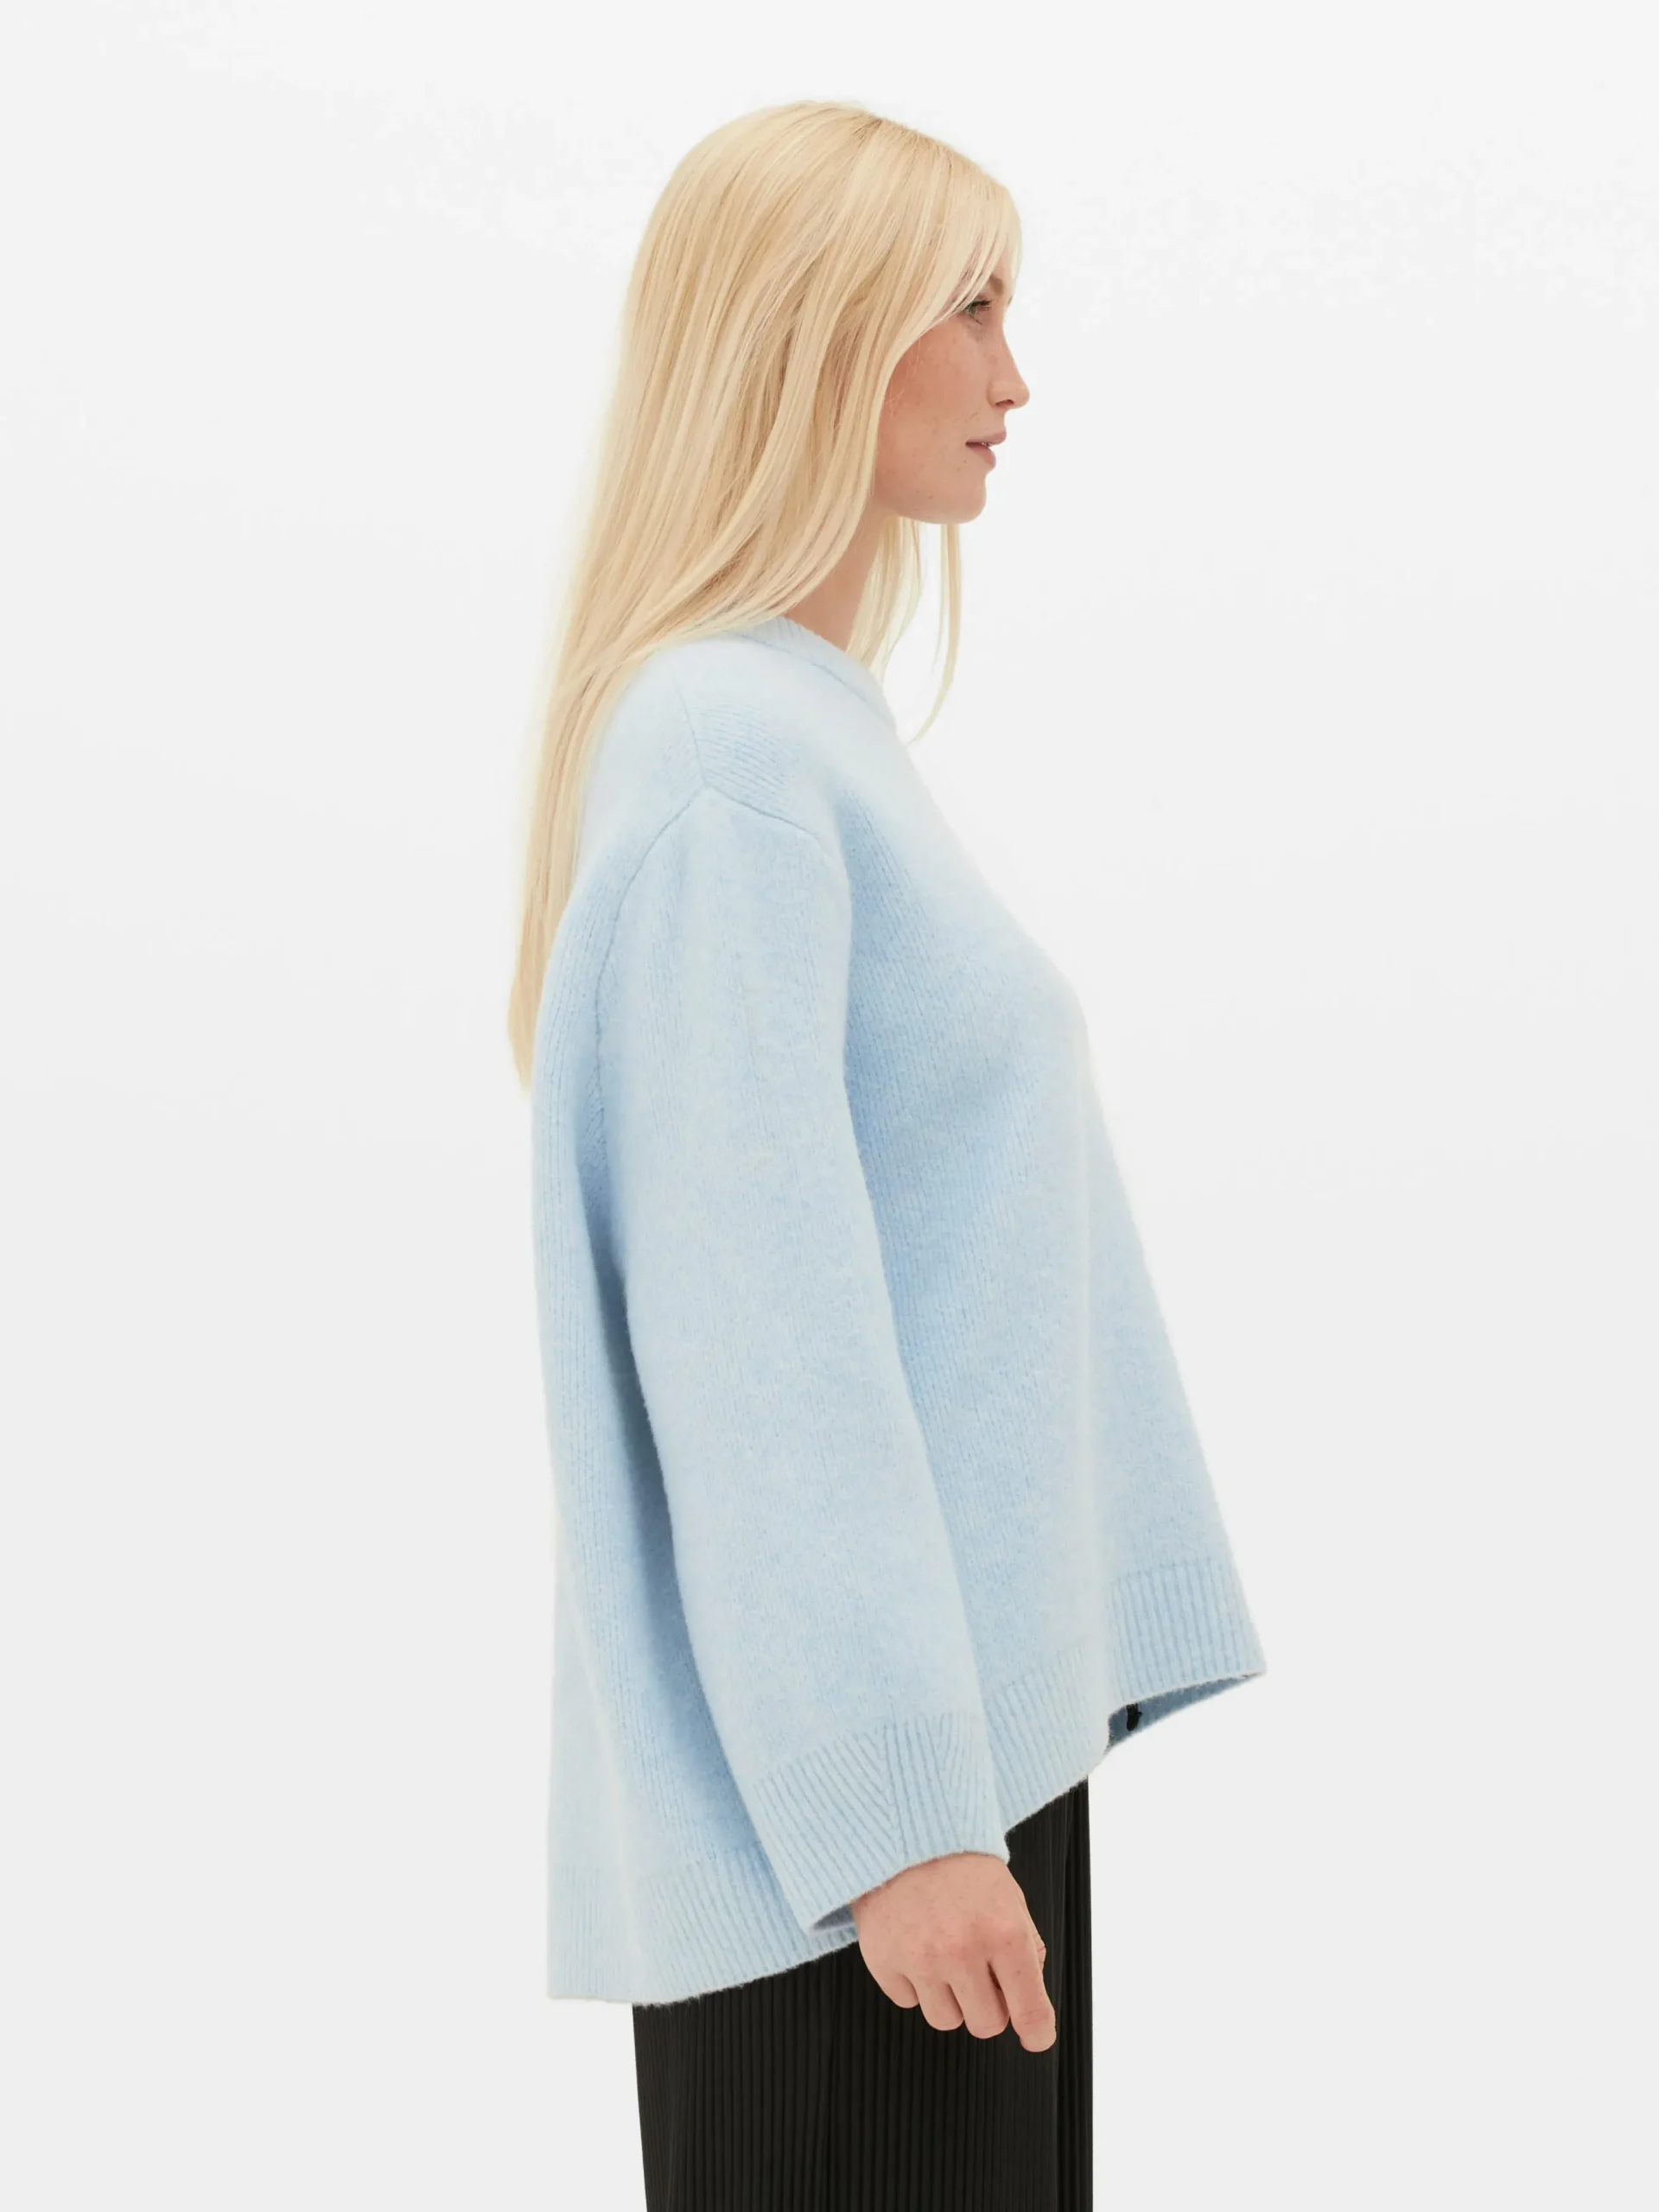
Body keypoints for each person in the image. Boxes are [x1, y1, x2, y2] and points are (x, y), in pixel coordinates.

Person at [508, 99, 1268, 2210]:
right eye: (972, 304)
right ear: (816, 333)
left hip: (932, 1792)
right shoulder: (726, 753)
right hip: (858, 1850)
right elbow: (757, 1343)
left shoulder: (803, 728)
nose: (1017, 375)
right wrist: (898, 1816)